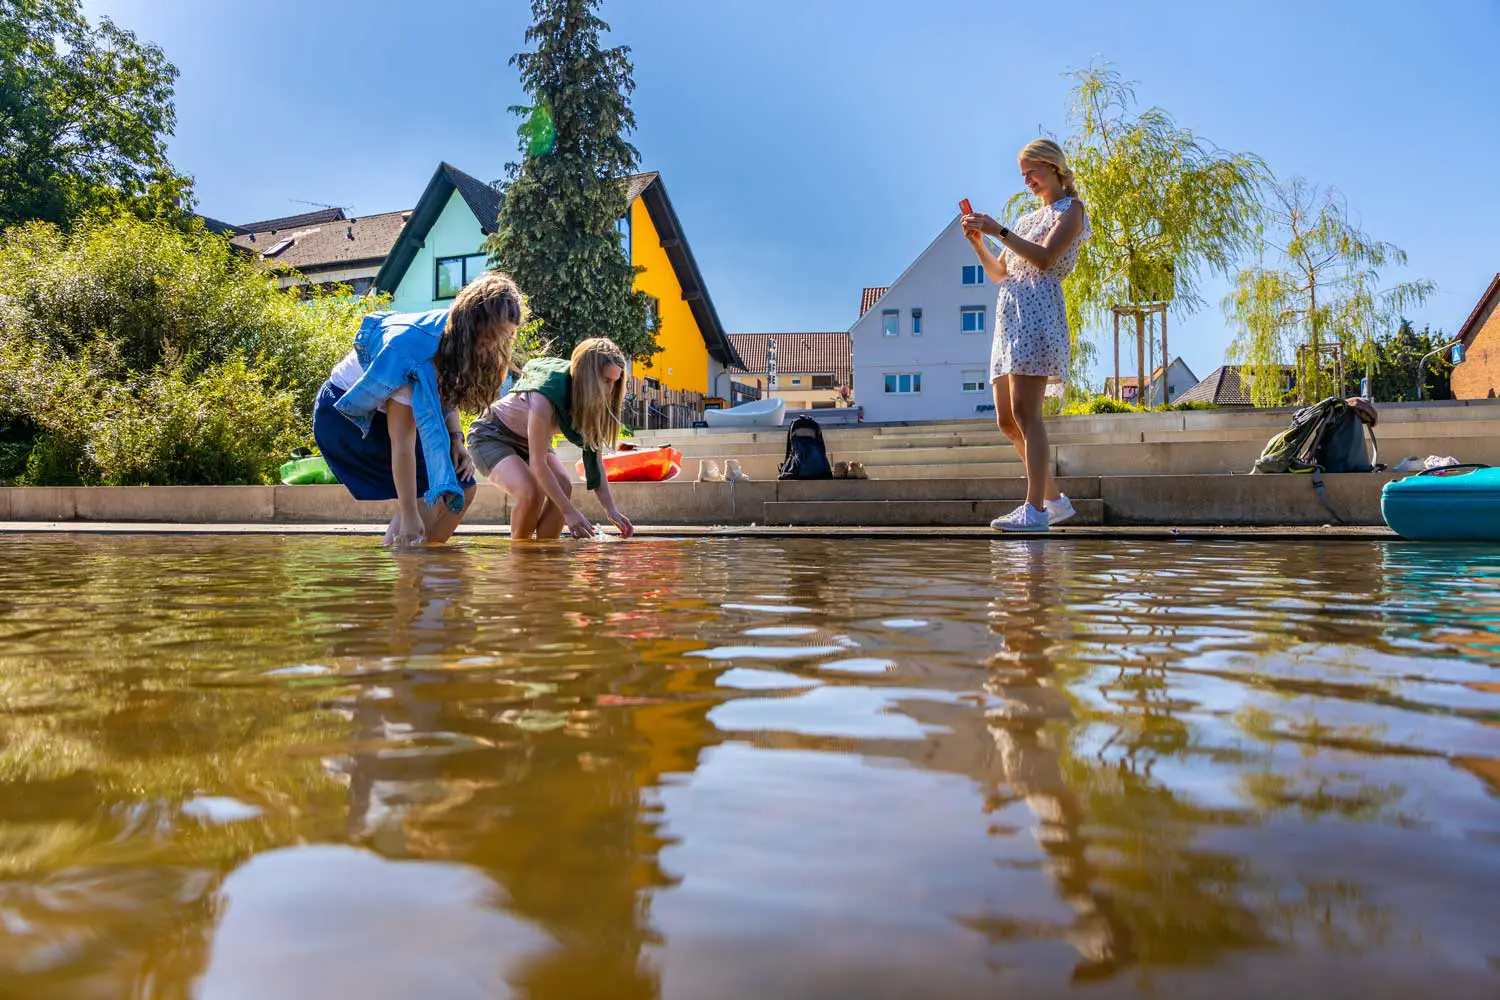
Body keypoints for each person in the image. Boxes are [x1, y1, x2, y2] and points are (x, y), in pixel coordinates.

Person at [311, 271, 525, 549]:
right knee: (426, 495)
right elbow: (403, 444)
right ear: (474, 324)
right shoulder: (412, 354)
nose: (497, 346)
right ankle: (407, 561)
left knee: (464, 488)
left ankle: (420, 566)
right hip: (344, 416)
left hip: (384, 413)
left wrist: (456, 440)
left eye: (506, 337)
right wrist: (409, 514)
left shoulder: (455, 341)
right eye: (492, 336)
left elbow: (445, 391)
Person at [962, 138, 1092, 532]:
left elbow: (1045, 257)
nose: (1027, 181)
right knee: (1006, 420)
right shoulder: (1023, 221)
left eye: (1031, 172)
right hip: (1011, 317)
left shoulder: (1072, 211)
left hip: (1038, 313)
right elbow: (1001, 273)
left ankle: (1034, 509)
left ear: (1053, 167)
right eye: (1023, 175)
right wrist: (979, 243)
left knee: (1026, 414)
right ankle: (1053, 500)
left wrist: (997, 229)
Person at [466, 337, 636, 541]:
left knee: (564, 485)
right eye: (606, 381)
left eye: (615, 382)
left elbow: (595, 463)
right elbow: (538, 464)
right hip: (492, 435)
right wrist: (568, 511)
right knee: (531, 492)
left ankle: (546, 558)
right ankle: (521, 560)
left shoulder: (597, 404)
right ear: (587, 377)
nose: (610, 390)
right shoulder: (545, 394)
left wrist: (611, 511)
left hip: (532, 441)